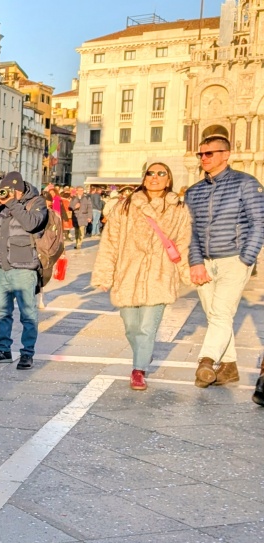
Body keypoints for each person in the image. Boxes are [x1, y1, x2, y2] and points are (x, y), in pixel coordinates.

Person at [92, 163, 191, 391]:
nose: (155, 177)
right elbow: (110, 242)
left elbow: (184, 243)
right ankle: (144, 354)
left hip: (159, 275)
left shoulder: (178, 209)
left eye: (161, 173)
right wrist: (105, 274)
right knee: (131, 327)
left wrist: (188, 272)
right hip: (127, 275)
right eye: (150, 173)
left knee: (147, 327)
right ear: (144, 178)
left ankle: (138, 370)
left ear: (169, 180)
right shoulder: (125, 206)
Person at [183, 134, 264, 391]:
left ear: (226, 155)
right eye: (201, 154)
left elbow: (259, 222)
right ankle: (228, 367)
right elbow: (190, 231)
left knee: (220, 313)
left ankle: (206, 361)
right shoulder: (194, 191)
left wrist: (246, 259)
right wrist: (195, 262)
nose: (204, 158)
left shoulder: (246, 184)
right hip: (204, 261)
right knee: (215, 316)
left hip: (234, 259)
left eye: (210, 153)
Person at [0, 171, 49, 370]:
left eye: (12, 191)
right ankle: (3, 350)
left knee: (28, 314)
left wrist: (12, 203)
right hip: (3, 267)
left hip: (25, 268)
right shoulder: (3, 204)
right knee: (3, 312)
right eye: (5, 190)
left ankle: (27, 353)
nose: (8, 193)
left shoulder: (36, 203)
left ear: (20, 190)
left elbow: (32, 224)